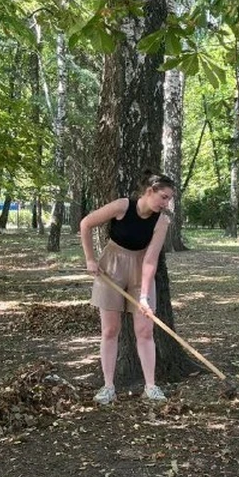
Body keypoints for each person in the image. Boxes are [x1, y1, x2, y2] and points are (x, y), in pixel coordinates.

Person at [80, 172, 174, 404]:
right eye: (163, 197)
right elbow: (86, 223)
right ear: (149, 191)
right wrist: (90, 259)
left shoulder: (161, 221)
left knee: (144, 331)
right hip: (110, 267)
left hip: (140, 270)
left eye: (169, 199)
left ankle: (150, 386)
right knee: (110, 330)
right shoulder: (123, 206)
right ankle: (108, 386)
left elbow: (151, 260)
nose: (166, 203)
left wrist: (143, 296)